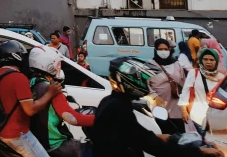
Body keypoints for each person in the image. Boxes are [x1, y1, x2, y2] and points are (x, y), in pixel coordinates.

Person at [90, 56, 221, 157]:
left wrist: (161, 136)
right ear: (130, 81)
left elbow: (132, 132)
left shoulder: (111, 101)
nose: (145, 85)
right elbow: (151, 145)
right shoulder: (118, 108)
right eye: (142, 80)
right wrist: (199, 151)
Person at [0, 40, 61, 157]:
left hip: (1, 132)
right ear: (16, 56)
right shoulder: (18, 78)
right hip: (18, 134)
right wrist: (50, 93)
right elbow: (30, 110)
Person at [28, 46, 95, 157]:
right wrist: (100, 119)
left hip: (36, 141)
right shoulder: (53, 89)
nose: (58, 67)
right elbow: (73, 119)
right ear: (48, 65)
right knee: (91, 151)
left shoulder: (30, 83)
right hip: (54, 144)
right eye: (57, 64)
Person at [180, 48, 226, 136]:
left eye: (212, 60)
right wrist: (183, 110)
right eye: (205, 59)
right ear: (201, 60)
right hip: (197, 116)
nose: (208, 62)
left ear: (216, 61)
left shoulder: (221, 77)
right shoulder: (194, 73)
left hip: (215, 118)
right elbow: (185, 91)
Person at [148, 38, 186, 134]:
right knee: (164, 133)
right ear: (155, 50)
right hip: (159, 104)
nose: (163, 51)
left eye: (166, 49)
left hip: (176, 105)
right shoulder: (150, 65)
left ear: (170, 49)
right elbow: (145, 84)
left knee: (179, 133)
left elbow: (183, 82)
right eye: (160, 49)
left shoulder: (177, 64)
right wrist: (154, 96)